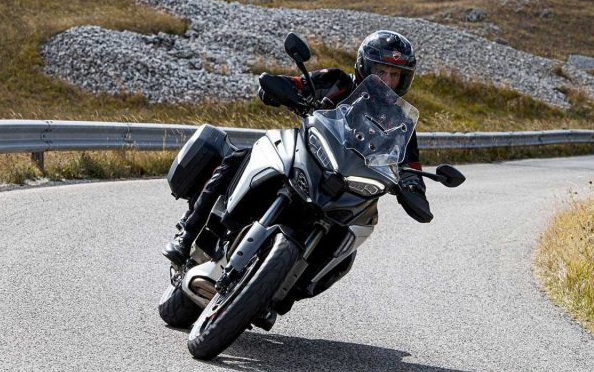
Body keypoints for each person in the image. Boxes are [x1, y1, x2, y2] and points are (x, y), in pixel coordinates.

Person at [162, 30, 430, 267]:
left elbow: (410, 166)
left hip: (349, 187)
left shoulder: (400, 122)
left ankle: (286, 287)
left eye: (395, 75)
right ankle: (188, 233)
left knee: (348, 245)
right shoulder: (337, 82)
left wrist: (412, 187)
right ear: (364, 66)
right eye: (380, 71)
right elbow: (297, 84)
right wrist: (281, 91)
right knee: (240, 157)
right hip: (308, 155)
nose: (386, 80)